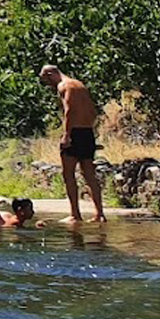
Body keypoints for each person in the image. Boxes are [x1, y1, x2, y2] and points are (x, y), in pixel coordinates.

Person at [40, 63, 105, 223]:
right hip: (87, 131)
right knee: (89, 174)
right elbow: (93, 111)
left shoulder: (64, 86)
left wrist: (67, 135)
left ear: (50, 74)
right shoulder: (80, 85)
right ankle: (99, 214)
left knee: (68, 174)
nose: (49, 85)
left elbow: (69, 110)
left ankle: (75, 214)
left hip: (74, 132)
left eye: (46, 81)